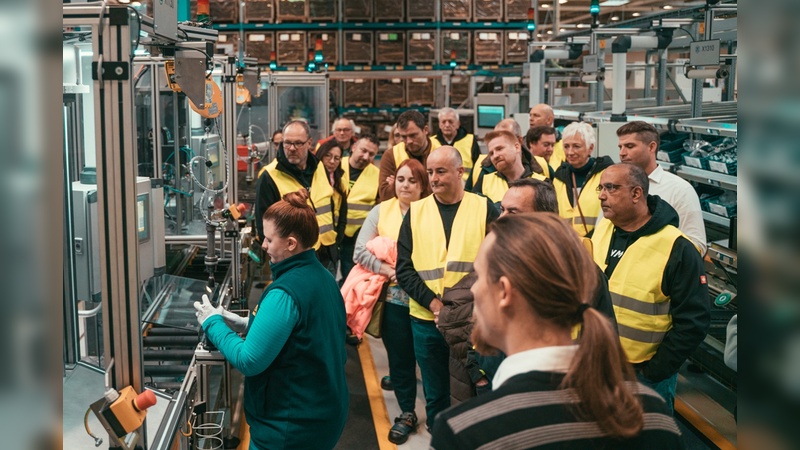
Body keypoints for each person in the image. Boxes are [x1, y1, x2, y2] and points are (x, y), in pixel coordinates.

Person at [430, 212, 682, 449]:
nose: (472, 290)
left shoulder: (466, 432)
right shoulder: (651, 412)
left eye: (479, 276)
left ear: (504, 292)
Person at [194, 189, 348, 450]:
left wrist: (212, 323)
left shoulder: (284, 292)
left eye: (268, 239)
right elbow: (306, 334)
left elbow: (249, 360)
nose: (263, 246)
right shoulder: (322, 277)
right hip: (323, 411)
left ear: (290, 243)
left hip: (290, 426)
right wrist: (246, 324)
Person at [396, 146, 500, 433]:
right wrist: (434, 304)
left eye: (440, 171)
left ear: (460, 172)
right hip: (427, 320)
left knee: (472, 387)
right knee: (435, 391)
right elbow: (403, 268)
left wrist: (458, 310)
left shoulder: (483, 208)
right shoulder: (416, 212)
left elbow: (498, 261)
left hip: (471, 321)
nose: (433, 178)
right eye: (430, 172)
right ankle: (438, 434)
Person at [592, 163, 710, 413]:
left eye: (611, 188)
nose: (602, 195)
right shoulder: (602, 229)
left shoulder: (677, 247)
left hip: (643, 375)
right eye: (600, 188)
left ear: (636, 194)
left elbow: (694, 321)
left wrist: (655, 371)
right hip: (597, 363)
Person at [353, 159, 431, 444]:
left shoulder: (433, 211)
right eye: (401, 179)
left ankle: (435, 413)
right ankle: (408, 412)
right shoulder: (381, 211)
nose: (406, 185)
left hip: (427, 300)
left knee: (431, 358)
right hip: (395, 301)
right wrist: (389, 271)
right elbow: (360, 252)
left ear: (423, 186)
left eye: (412, 180)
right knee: (400, 360)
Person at [613, 120, 708, 254]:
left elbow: (696, 244)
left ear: (651, 147)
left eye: (629, 146)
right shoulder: (616, 185)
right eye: (620, 147)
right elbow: (602, 233)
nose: (622, 153)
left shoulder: (680, 190)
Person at [254, 120, 341, 253]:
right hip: (294, 255)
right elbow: (263, 225)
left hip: (327, 250)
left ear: (309, 143)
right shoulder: (269, 176)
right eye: (287, 143)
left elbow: (329, 204)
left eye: (298, 143)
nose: (292, 148)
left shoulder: (319, 167)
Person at [552, 121, 614, 237]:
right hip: (565, 244)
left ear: (590, 148)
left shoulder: (605, 175)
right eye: (566, 146)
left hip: (596, 244)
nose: (570, 152)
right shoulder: (559, 177)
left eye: (576, 146)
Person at [339, 134, 381, 280]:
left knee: (350, 277)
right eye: (363, 150)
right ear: (354, 147)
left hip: (357, 237)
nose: (365, 156)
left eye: (371, 154)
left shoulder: (377, 175)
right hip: (332, 233)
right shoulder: (336, 165)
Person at [378, 110, 442, 201]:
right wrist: (428, 185)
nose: (409, 141)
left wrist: (397, 184)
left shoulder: (441, 153)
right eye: (403, 137)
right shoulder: (390, 155)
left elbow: (446, 190)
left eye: (413, 135)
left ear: (426, 130)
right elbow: (385, 195)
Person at [472, 130, 548, 204]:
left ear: (517, 147)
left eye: (499, 149)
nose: (495, 156)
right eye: (491, 153)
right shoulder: (484, 182)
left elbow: (549, 216)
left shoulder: (541, 183)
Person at [315, 140, 349, 274]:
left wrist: (338, 239)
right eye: (328, 156)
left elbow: (342, 215)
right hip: (313, 244)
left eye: (337, 158)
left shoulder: (341, 182)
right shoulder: (312, 178)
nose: (332, 161)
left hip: (331, 245)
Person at [433, 107, 480, 181]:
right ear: (439, 124)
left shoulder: (470, 140)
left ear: (458, 124)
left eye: (451, 121)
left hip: (466, 186)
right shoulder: (432, 142)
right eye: (443, 122)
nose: (447, 125)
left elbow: (479, 167)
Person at [528, 103, 566, 168]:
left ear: (549, 120)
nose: (531, 119)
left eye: (536, 116)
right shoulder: (522, 143)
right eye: (530, 115)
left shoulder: (564, 146)